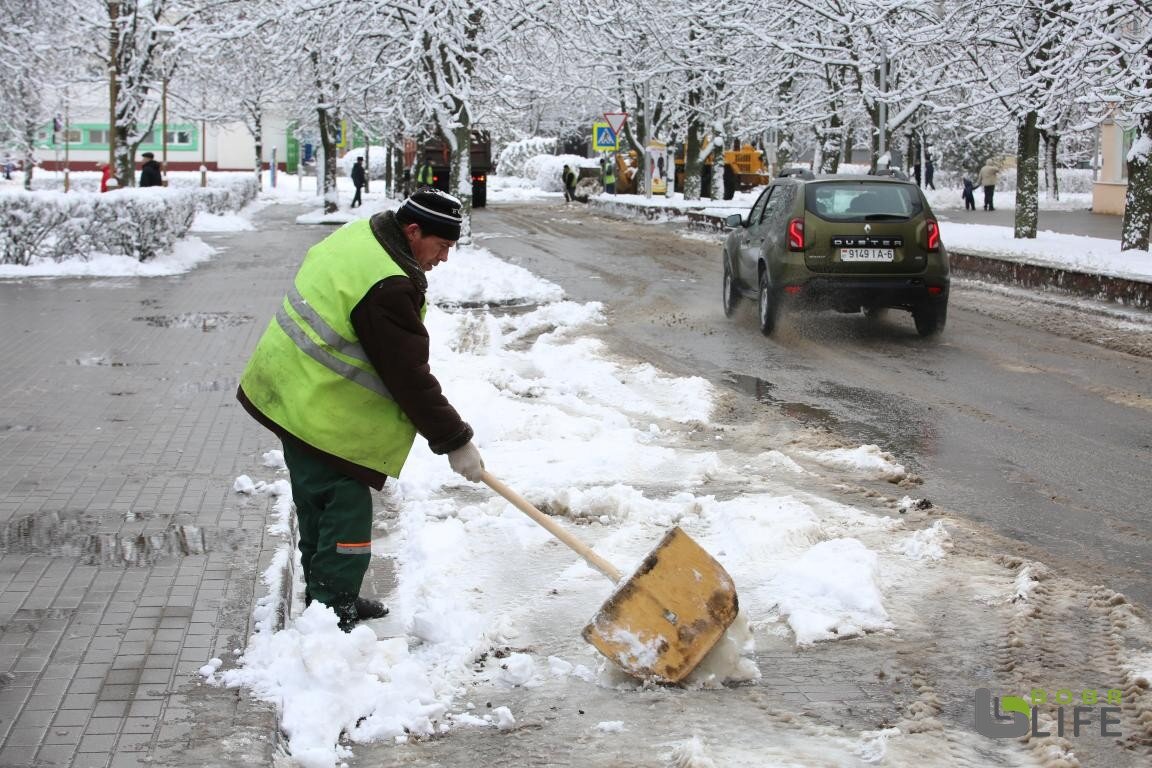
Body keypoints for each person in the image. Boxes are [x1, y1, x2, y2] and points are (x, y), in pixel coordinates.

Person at [236, 188, 483, 632]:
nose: (444, 258)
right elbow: (408, 377)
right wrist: (455, 440)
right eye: (442, 246)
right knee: (345, 513)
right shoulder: (387, 286)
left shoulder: (365, 237)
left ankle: (325, 597)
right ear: (413, 232)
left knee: (317, 505)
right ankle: (331, 612)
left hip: (291, 390)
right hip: (317, 408)